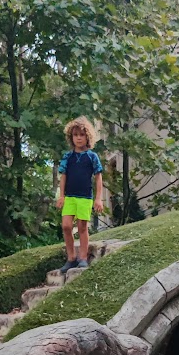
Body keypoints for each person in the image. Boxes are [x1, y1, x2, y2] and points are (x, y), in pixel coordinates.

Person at [56, 117, 104, 274]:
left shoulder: (92, 157)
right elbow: (63, 176)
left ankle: (82, 258)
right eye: (75, 135)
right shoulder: (67, 157)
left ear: (87, 137)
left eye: (81, 135)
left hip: (85, 197)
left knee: (82, 227)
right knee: (66, 226)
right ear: (71, 137)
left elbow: (98, 178)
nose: (78, 138)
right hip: (69, 197)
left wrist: (98, 198)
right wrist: (61, 196)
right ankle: (71, 258)